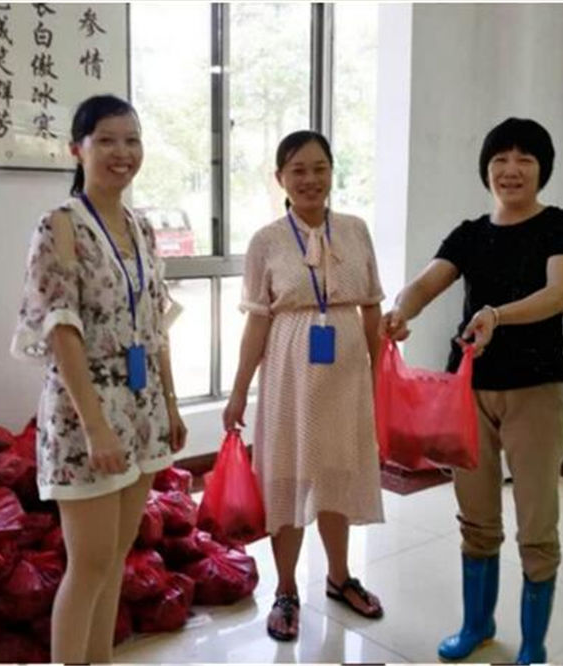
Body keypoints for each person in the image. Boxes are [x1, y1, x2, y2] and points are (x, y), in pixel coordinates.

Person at [380, 117, 563, 664]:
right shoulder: (470, 233)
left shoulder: (562, 226)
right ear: (486, 169)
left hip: (536, 390)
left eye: (524, 159)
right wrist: (399, 311)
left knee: (537, 522)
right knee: (475, 515)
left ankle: (534, 644)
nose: (510, 170)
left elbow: (559, 293)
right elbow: (426, 282)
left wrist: (497, 314)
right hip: (467, 392)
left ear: (542, 169)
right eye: (500, 159)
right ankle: (477, 624)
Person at [10, 94, 187, 663]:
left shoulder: (141, 228)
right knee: (87, 564)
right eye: (106, 140)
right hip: (85, 412)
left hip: (141, 406)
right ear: (77, 149)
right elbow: (62, 331)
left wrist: (171, 404)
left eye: (131, 140)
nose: (122, 152)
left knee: (115, 556)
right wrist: (95, 428)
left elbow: (154, 324)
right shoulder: (59, 226)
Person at [223, 130, 386, 642]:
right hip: (289, 378)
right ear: (281, 179)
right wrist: (237, 391)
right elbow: (256, 322)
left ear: (332, 172)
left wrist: (380, 376)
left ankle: (339, 577)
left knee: (337, 473)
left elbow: (372, 308)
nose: (310, 179)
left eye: (320, 168)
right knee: (286, 478)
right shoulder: (266, 241)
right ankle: (287, 590)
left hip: (346, 378)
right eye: (298, 170)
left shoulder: (356, 230)